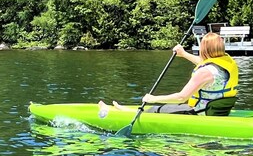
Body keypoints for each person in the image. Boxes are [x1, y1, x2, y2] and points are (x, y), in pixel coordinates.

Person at [100, 32, 239, 117]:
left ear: (204, 49)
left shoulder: (204, 72)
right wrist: (183, 54)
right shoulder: (223, 64)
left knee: (156, 109)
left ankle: (116, 113)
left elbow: (181, 97)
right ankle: (125, 109)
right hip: (216, 110)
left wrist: (153, 98)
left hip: (199, 112)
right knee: (162, 108)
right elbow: (204, 63)